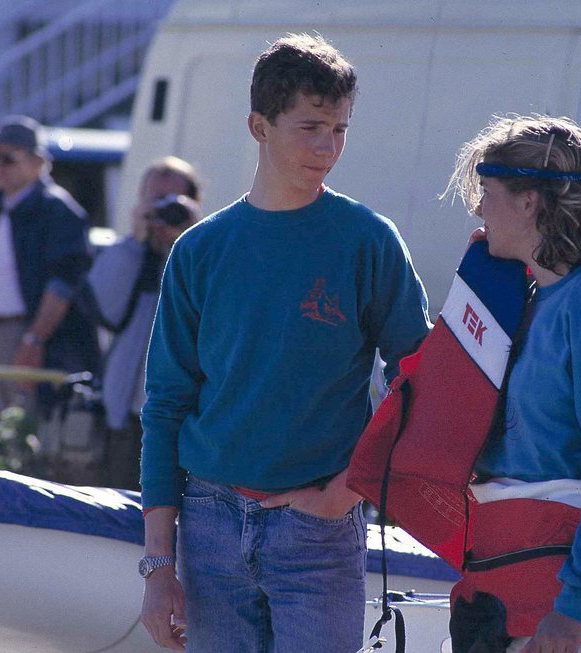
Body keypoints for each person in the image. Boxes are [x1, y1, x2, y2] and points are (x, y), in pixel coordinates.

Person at [138, 34, 431, 652]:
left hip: (321, 530)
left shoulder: (369, 240)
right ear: (258, 126)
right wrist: (158, 566)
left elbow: (420, 381)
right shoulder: (199, 251)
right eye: (311, 127)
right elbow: (165, 406)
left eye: (340, 129)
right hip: (208, 523)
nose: (329, 147)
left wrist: (347, 491)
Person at [444, 115, 581, 653]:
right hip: (506, 592)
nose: (477, 208)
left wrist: (572, 612)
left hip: (578, 615)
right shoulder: (519, 300)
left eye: (487, 190)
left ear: (529, 202)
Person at [80, 157, 202, 490]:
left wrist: (188, 238)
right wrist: (136, 241)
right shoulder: (129, 252)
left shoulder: (202, 253)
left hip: (180, 418)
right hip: (126, 413)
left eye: (173, 201)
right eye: (155, 200)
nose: (165, 211)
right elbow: (103, 306)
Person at [0, 115, 99, 412]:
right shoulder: (2, 205)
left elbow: (64, 282)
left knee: (32, 430)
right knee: (1, 431)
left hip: (32, 337)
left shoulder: (57, 209)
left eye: (8, 159)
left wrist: (34, 339)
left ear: (38, 163)